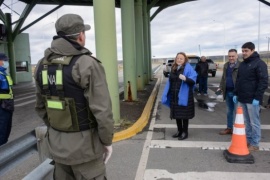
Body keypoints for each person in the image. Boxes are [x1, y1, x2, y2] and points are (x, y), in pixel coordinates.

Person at [34, 14, 114, 179]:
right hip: (86, 151)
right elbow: (103, 111)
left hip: (57, 147)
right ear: (80, 35)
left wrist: (59, 130)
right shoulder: (87, 64)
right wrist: (107, 141)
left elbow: (41, 107)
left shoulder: (42, 65)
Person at [233, 42, 268, 151]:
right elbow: (239, 80)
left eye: (246, 51)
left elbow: (263, 82)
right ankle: (247, 140)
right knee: (246, 122)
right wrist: (236, 93)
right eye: (242, 51)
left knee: (254, 123)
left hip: (252, 99)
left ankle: (255, 143)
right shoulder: (242, 64)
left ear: (252, 50)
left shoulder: (259, 63)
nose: (244, 53)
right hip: (242, 98)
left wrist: (257, 98)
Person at [161, 52, 197, 140]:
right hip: (174, 95)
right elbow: (170, 81)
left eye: (181, 58)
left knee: (184, 115)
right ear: (175, 59)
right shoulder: (174, 68)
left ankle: (185, 132)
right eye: (178, 58)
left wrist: (186, 79)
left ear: (185, 60)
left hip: (185, 96)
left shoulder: (188, 68)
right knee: (177, 114)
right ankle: (179, 131)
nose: (179, 60)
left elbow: (193, 81)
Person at [218, 49, 240, 135]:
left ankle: (238, 129)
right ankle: (229, 128)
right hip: (228, 92)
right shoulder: (226, 65)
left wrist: (238, 92)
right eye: (229, 56)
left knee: (238, 112)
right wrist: (221, 87)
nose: (231, 58)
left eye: (233, 56)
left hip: (237, 93)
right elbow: (224, 78)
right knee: (229, 111)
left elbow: (242, 80)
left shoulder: (241, 65)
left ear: (237, 56)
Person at [0, 53, 14, 146]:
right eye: (4, 60)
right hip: (1, 106)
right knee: (1, 130)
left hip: (7, 105)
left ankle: (4, 149)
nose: (6, 62)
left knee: (6, 129)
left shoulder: (4, 73)